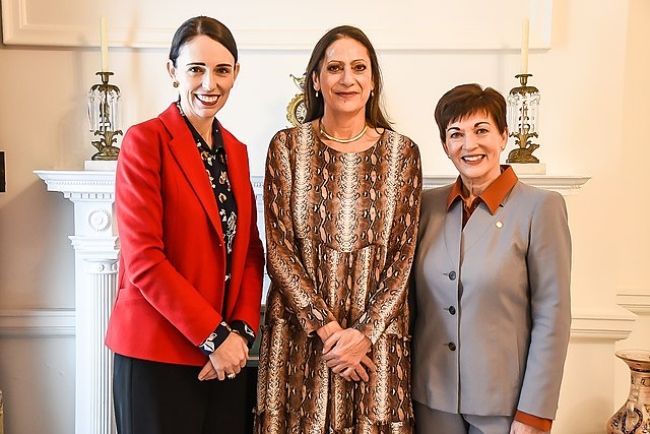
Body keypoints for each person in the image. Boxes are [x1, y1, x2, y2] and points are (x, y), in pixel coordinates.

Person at [255, 25, 421, 433]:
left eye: (358, 68)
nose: (347, 79)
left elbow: (403, 257)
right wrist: (329, 331)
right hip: (299, 336)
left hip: (375, 346)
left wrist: (363, 334)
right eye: (334, 67)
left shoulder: (403, 153)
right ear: (316, 79)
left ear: (373, 80)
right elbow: (277, 249)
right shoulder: (287, 148)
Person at [105, 16, 264, 434]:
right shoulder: (144, 141)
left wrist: (240, 335)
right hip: (158, 353)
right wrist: (213, 336)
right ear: (173, 71)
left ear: (236, 74)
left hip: (225, 358)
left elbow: (248, 250)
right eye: (196, 69)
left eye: (222, 70)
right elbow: (144, 261)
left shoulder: (237, 151)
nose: (209, 83)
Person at [412, 83, 571, 434]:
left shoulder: (541, 208)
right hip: (430, 399)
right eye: (456, 134)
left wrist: (534, 413)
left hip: (506, 406)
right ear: (445, 146)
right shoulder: (426, 207)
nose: (469, 144)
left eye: (481, 130)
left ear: (504, 135)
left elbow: (553, 316)